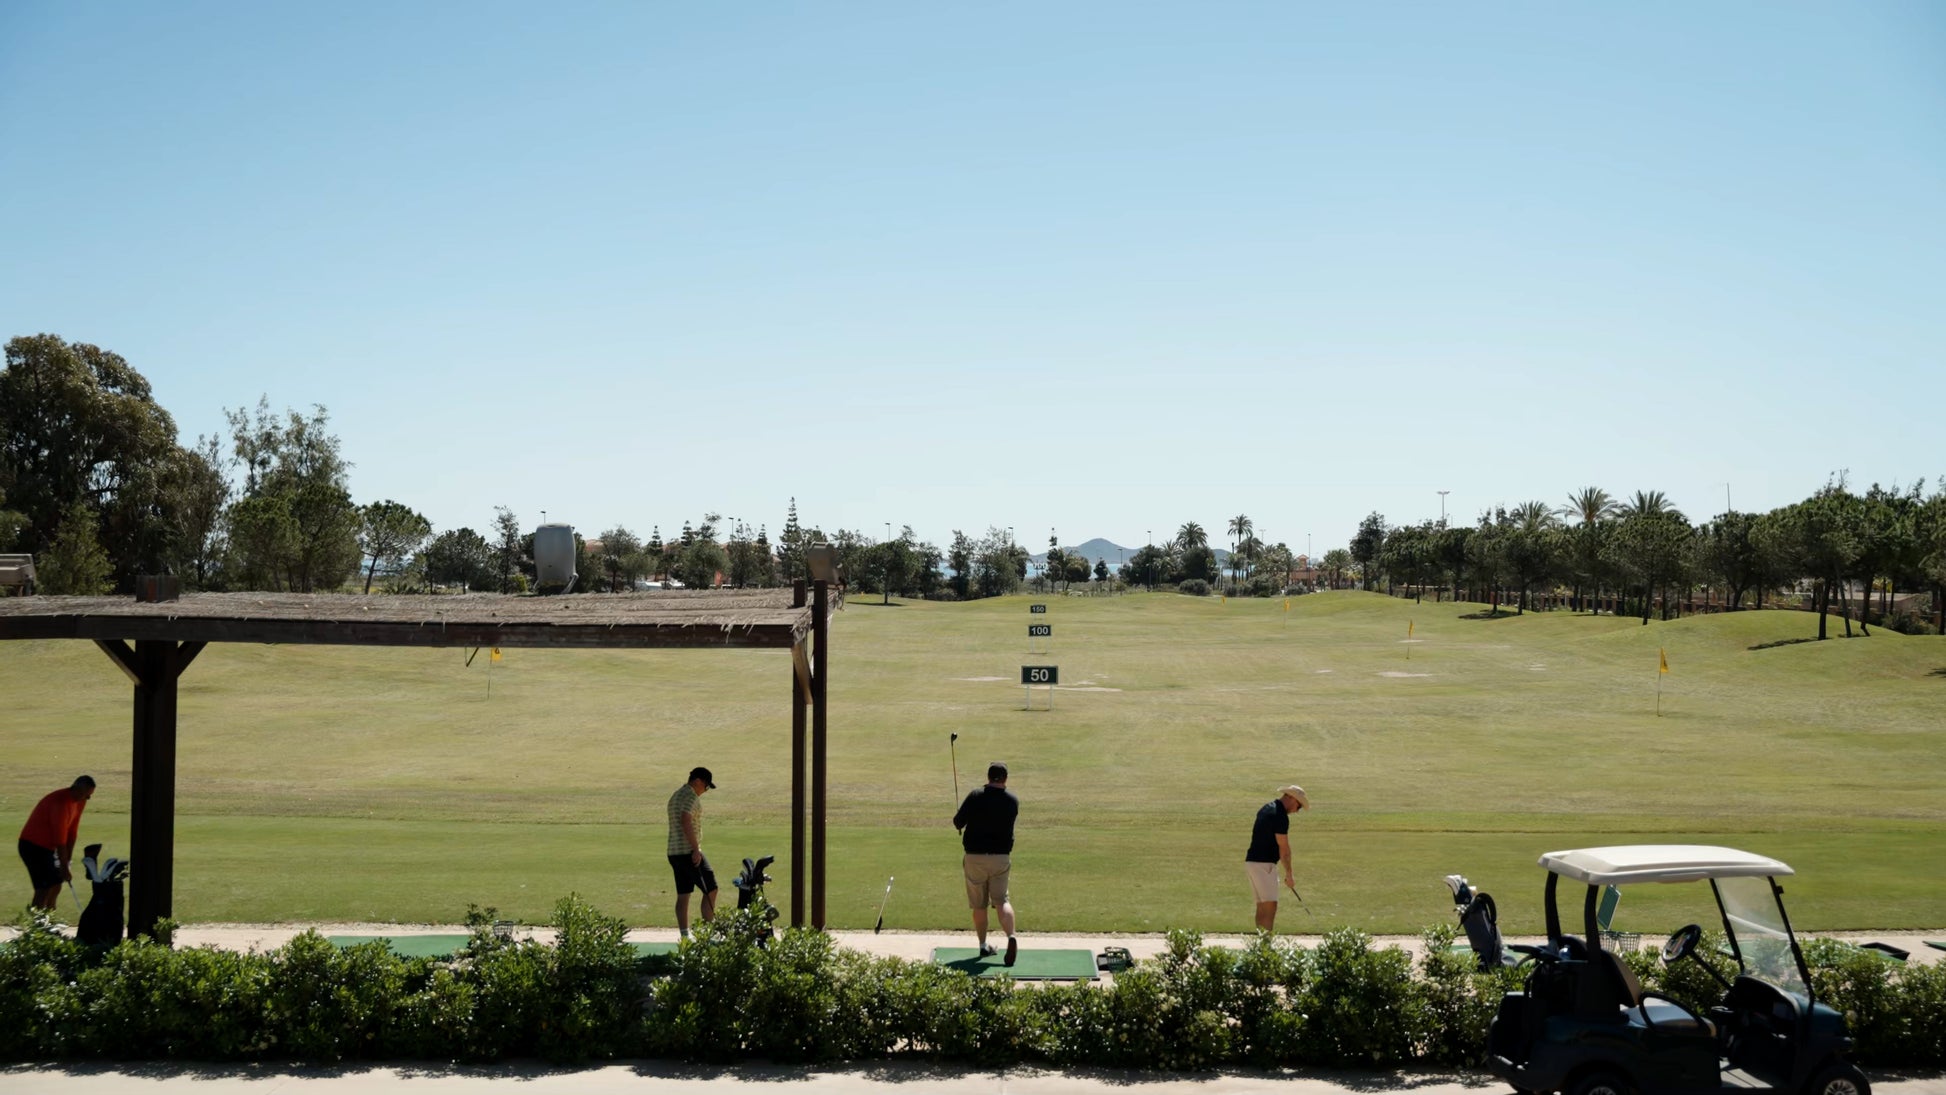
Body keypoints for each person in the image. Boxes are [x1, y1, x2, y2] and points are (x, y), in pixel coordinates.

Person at [952, 761, 1020, 966]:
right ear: (1005, 778)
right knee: (1001, 901)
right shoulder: (1012, 801)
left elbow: (958, 822)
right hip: (1000, 858)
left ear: (988, 777)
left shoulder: (975, 796)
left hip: (975, 857)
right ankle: (1011, 937)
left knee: (979, 904)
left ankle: (983, 945)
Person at [18, 776, 94, 912]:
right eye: (84, 794)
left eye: (88, 796)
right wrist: (64, 866)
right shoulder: (60, 802)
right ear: (75, 788)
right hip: (32, 846)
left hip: (47, 848)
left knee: (56, 883)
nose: (85, 798)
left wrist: (68, 862)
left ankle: (49, 919)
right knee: (43, 888)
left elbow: (72, 831)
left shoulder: (79, 801)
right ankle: (35, 925)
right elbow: (60, 838)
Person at [1244, 784, 1307, 931]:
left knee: (1262, 907)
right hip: (1264, 865)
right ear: (1291, 798)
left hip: (1251, 863)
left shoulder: (1266, 808)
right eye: (1298, 807)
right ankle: (1265, 948)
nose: (1297, 811)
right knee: (1270, 907)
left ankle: (1260, 946)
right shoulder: (1280, 815)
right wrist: (1289, 875)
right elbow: (1284, 849)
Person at [666, 766, 718, 937]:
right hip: (689, 853)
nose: (706, 790)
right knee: (711, 888)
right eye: (706, 786)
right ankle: (709, 934)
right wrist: (696, 849)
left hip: (674, 852)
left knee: (683, 894)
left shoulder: (676, 795)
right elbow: (685, 819)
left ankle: (685, 936)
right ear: (697, 781)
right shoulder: (690, 796)